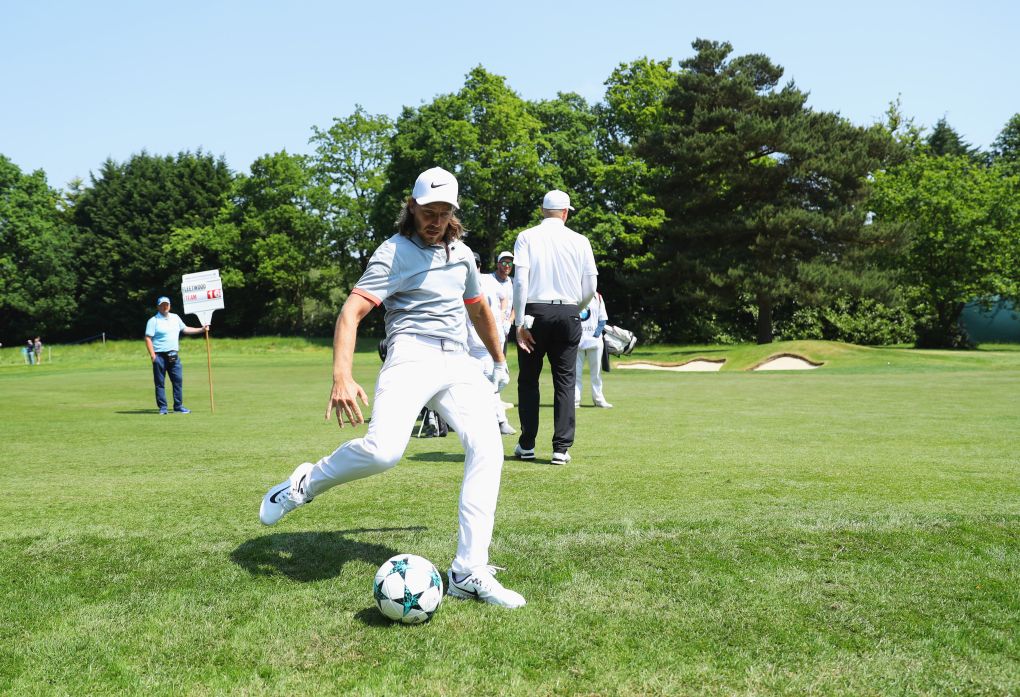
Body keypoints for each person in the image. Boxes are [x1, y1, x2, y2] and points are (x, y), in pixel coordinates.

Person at [259, 167, 525, 609]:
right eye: (427, 211)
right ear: (412, 205)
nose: (435, 220)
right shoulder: (393, 253)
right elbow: (351, 312)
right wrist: (341, 375)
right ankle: (307, 481)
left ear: (453, 214)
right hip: (411, 354)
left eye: (444, 212)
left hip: (458, 359)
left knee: (488, 447)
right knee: (384, 452)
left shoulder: (461, 254)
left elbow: (477, 308)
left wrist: (498, 358)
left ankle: (468, 571)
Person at [512, 190, 598, 466]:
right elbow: (592, 287)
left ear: (542, 210)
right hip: (568, 312)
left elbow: (520, 282)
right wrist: (577, 307)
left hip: (535, 312)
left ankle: (527, 444)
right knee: (565, 381)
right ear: (566, 212)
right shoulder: (580, 240)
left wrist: (519, 321)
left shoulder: (526, 237)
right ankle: (561, 448)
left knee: (528, 380)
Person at [465, 251, 516, 436]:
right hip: (472, 343)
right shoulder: (479, 280)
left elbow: (505, 298)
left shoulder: (486, 281)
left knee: (490, 385)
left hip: (484, 343)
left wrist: (504, 318)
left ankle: (500, 421)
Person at [144, 296, 209, 415]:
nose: (165, 307)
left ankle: (178, 406)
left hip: (173, 355)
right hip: (159, 356)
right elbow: (148, 338)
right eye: (162, 305)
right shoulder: (153, 320)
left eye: (166, 304)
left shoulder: (175, 317)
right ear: (158, 307)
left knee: (177, 381)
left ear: (169, 305)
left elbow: (185, 329)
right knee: (160, 383)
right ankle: (163, 407)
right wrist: (153, 356)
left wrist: (202, 330)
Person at [575, 292, 612, 408]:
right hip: (577, 340)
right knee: (576, 373)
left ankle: (598, 399)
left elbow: (602, 319)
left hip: (595, 342)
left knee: (596, 373)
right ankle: (575, 400)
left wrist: (595, 335)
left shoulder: (598, 297)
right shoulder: (574, 294)